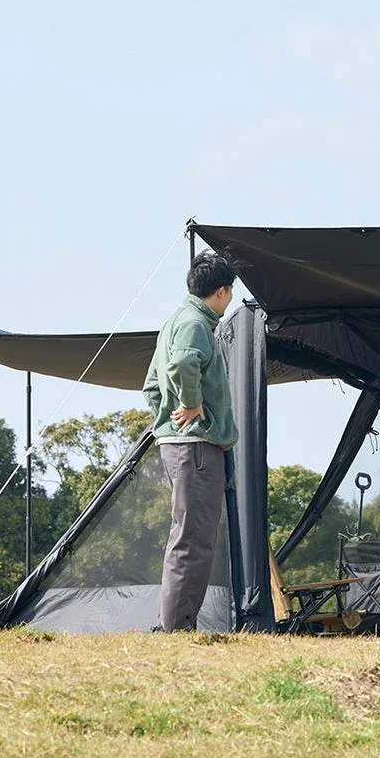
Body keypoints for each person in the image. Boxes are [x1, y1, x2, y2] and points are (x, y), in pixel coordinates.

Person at [144, 251, 239, 632]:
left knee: (189, 534)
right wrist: (191, 405)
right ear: (221, 291)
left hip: (180, 444)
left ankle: (176, 625)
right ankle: (177, 630)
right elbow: (183, 362)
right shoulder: (195, 324)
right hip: (195, 446)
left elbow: (151, 385)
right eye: (230, 291)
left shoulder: (174, 322)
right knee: (194, 538)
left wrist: (166, 416)